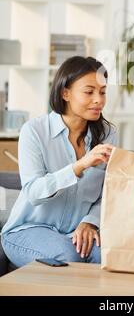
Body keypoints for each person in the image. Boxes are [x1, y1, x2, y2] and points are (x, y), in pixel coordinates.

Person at [1, 56, 117, 267]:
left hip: (76, 229)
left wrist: (90, 222)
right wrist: (79, 166)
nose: (99, 99)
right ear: (65, 93)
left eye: (102, 92)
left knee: (109, 255)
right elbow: (34, 192)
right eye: (89, 92)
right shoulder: (34, 131)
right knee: (66, 256)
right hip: (29, 228)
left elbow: (109, 192)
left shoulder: (108, 134)